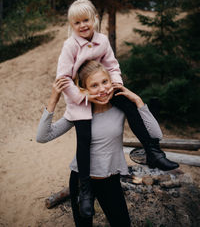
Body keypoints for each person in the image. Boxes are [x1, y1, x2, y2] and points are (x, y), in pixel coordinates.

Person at [56, 0, 179, 217]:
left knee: (129, 106)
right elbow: (64, 79)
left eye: (86, 20)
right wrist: (82, 96)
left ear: (94, 19)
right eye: (77, 23)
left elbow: (112, 66)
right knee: (84, 139)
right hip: (81, 97)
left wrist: (116, 85)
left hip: (104, 90)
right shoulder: (70, 46)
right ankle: (85, 190)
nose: (83, 25)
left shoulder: (102, 40)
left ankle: (152, 151)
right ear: (71, 25)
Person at [37, 60, 171, 227]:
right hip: (81, 180)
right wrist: (53, 99)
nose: (102, 89)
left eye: (105, 82)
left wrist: (137, 100)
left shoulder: (121, 108)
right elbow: (43, 136)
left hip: (109, 179)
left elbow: (156, 135)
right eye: (94, 85)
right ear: (84, 90)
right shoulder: (79, 111)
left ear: (111, 81)